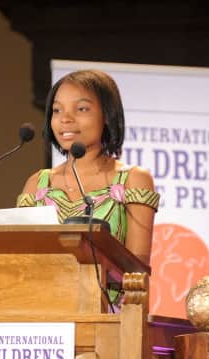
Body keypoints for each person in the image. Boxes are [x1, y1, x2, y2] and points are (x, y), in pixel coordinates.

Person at [16, 69, 159, 265]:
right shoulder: (37, 183)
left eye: (81, 109)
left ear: (107, 115)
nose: (65, 119)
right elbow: (20, 261)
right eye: (57, 110)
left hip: (106, 286)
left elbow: (137, 271)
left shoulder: (133, 179)